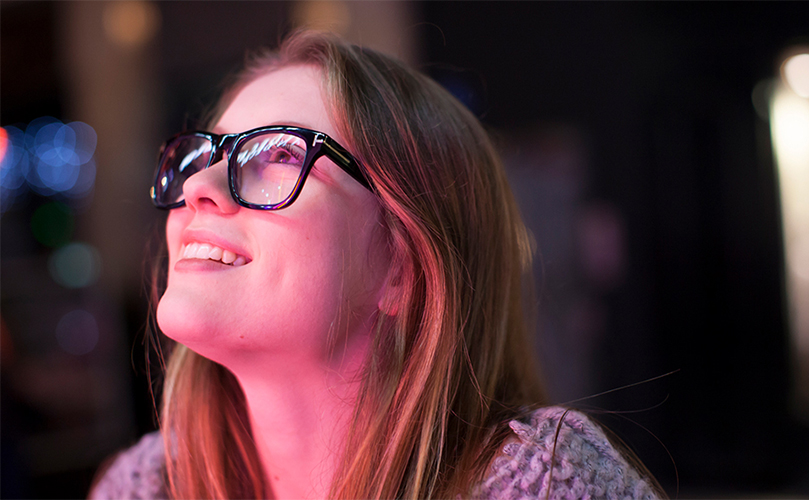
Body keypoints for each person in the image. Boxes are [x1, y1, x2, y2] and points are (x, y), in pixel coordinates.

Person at [91, 31, 662, 500]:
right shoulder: (141, 489)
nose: (197, 186)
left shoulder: (549, 487)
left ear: (403, 265)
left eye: (280, 154)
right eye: (203, 154)